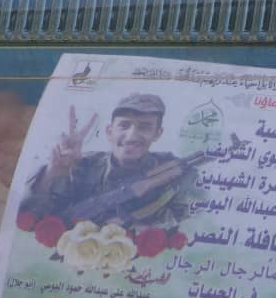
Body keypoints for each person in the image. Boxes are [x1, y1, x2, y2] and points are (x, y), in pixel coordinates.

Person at [21, 93, 192, 230]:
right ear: (109, 131)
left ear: (157, 133)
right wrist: (52, 174)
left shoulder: (172, 170)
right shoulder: (82, 165)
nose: (132, 135)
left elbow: (184, 222)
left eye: (144, 127)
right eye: (124, 125)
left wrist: (129, 224)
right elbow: (34, 220)